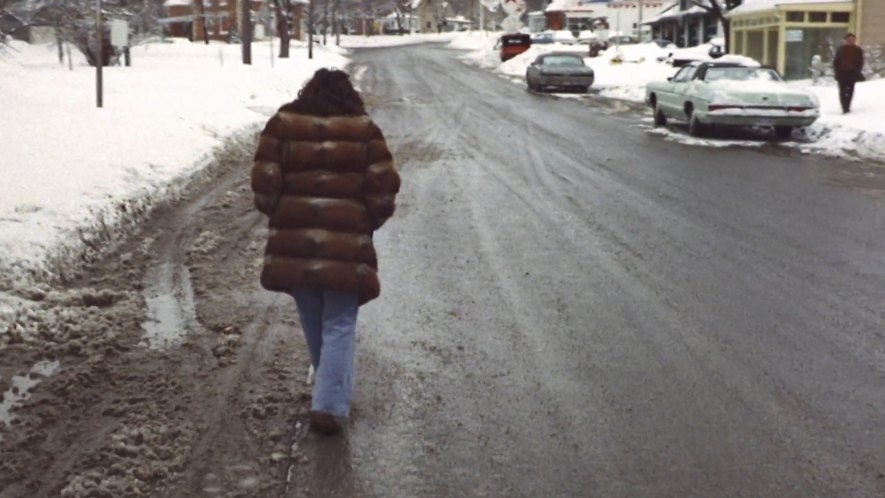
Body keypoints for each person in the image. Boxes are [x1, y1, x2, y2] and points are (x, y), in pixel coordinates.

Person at [250, 68, 400, 435]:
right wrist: (364, 223)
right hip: (345, 246)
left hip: (295, 244)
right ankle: (329, 404)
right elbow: (383, 186)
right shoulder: (363, 128)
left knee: (314, 320)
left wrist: (282, 215)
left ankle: (328, 396)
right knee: (340, 323)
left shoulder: (283, 123)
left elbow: (265, 180)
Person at [833, 33, 865, 114]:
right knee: (842, 91)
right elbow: (836, 61)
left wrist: (857, 71)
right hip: (842, 73)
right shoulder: (841, 49)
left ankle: (848, 105)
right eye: (849, 39)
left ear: (854, 40)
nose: (850, 41)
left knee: (850, 90)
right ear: (846, 40)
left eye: (852, 40)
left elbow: (860, 62)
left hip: (852, 73)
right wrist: (837, 71)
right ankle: (844, 107)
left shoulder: (858, 50)